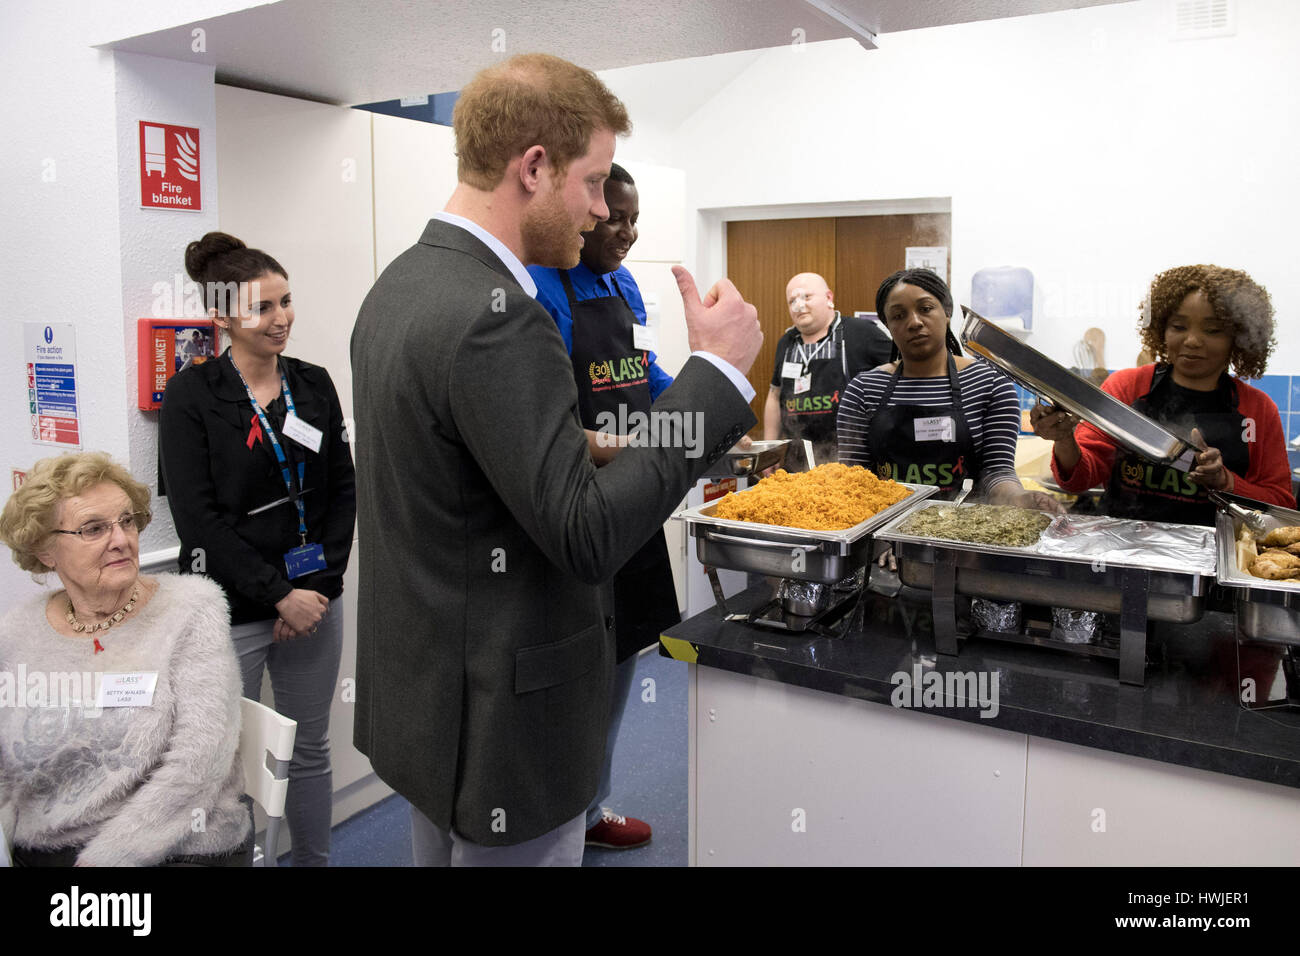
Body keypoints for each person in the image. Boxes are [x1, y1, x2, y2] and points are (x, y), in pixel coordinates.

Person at [350, 52, 761, 867]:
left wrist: (593, 444)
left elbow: (459, 450)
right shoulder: (500, 315)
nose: (602, 209)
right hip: (506, 716)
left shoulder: (403, 285)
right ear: (534, 167)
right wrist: (715, 376)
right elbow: (585, 537)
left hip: (431, 702)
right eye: (595, 182)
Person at [159, 232, 356, 866]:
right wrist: (278, 595)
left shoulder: (314, 384)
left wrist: (317, 588)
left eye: (287, 302)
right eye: (263, 308)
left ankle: (311, 862)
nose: (282, 320)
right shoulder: (193, 395)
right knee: (229, 762)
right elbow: (199, 521)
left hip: (316, 598)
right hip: (234, 607)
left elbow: (342, 488)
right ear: (222, 317)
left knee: (308, 748)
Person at [0, 452, 250, 867]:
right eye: (94, 529)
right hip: (44, 844)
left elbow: (198, 767)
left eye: (127, 521)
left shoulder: (191, 608)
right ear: (46, 551)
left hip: (178, 845)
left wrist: (105, 862)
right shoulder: (17, 631)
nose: (121, 539)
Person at [528, 163, 670, 850]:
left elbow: (641, 372)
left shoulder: (622, 283)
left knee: (622, 664)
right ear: (583, 211)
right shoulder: (542, 287)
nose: (625, 231)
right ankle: (560, 819)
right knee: (579, 669)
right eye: (613, 216)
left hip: (634, 501)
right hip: (581, 500)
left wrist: (712, 403)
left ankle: (591, 808)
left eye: (634, 219)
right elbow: (547, 415)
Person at [1031, 264, 1292, 523]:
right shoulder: (1126, 387)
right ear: (1161, 330)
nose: (1192, 340)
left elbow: (1281, 505)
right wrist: (1065, 439)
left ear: (1237, 337)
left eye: (1212, 330)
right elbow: (1079, 479)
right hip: (1122, 549)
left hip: (1219, 557)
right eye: (1179, 327)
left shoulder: (1258, 409)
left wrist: (1226, 481)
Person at [838, 268, 1059, 510]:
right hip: (883, 534)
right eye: (899, 315)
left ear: (947, 312)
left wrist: (1018, 499)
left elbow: (997, 471)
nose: (914, 322)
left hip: (964, 533)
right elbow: (853, 478)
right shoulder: (864, 389)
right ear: (888, 325)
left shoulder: (991, 383)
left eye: (925, 309)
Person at [764, 273, 893, 464]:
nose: (799, 305)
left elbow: (901, 373)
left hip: (852, 461)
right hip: (797, 462)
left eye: (806, 297)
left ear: (829, 298)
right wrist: (770, 449)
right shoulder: (787, 342)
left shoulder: (863, 332)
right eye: (792, 300)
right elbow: (775, 396)